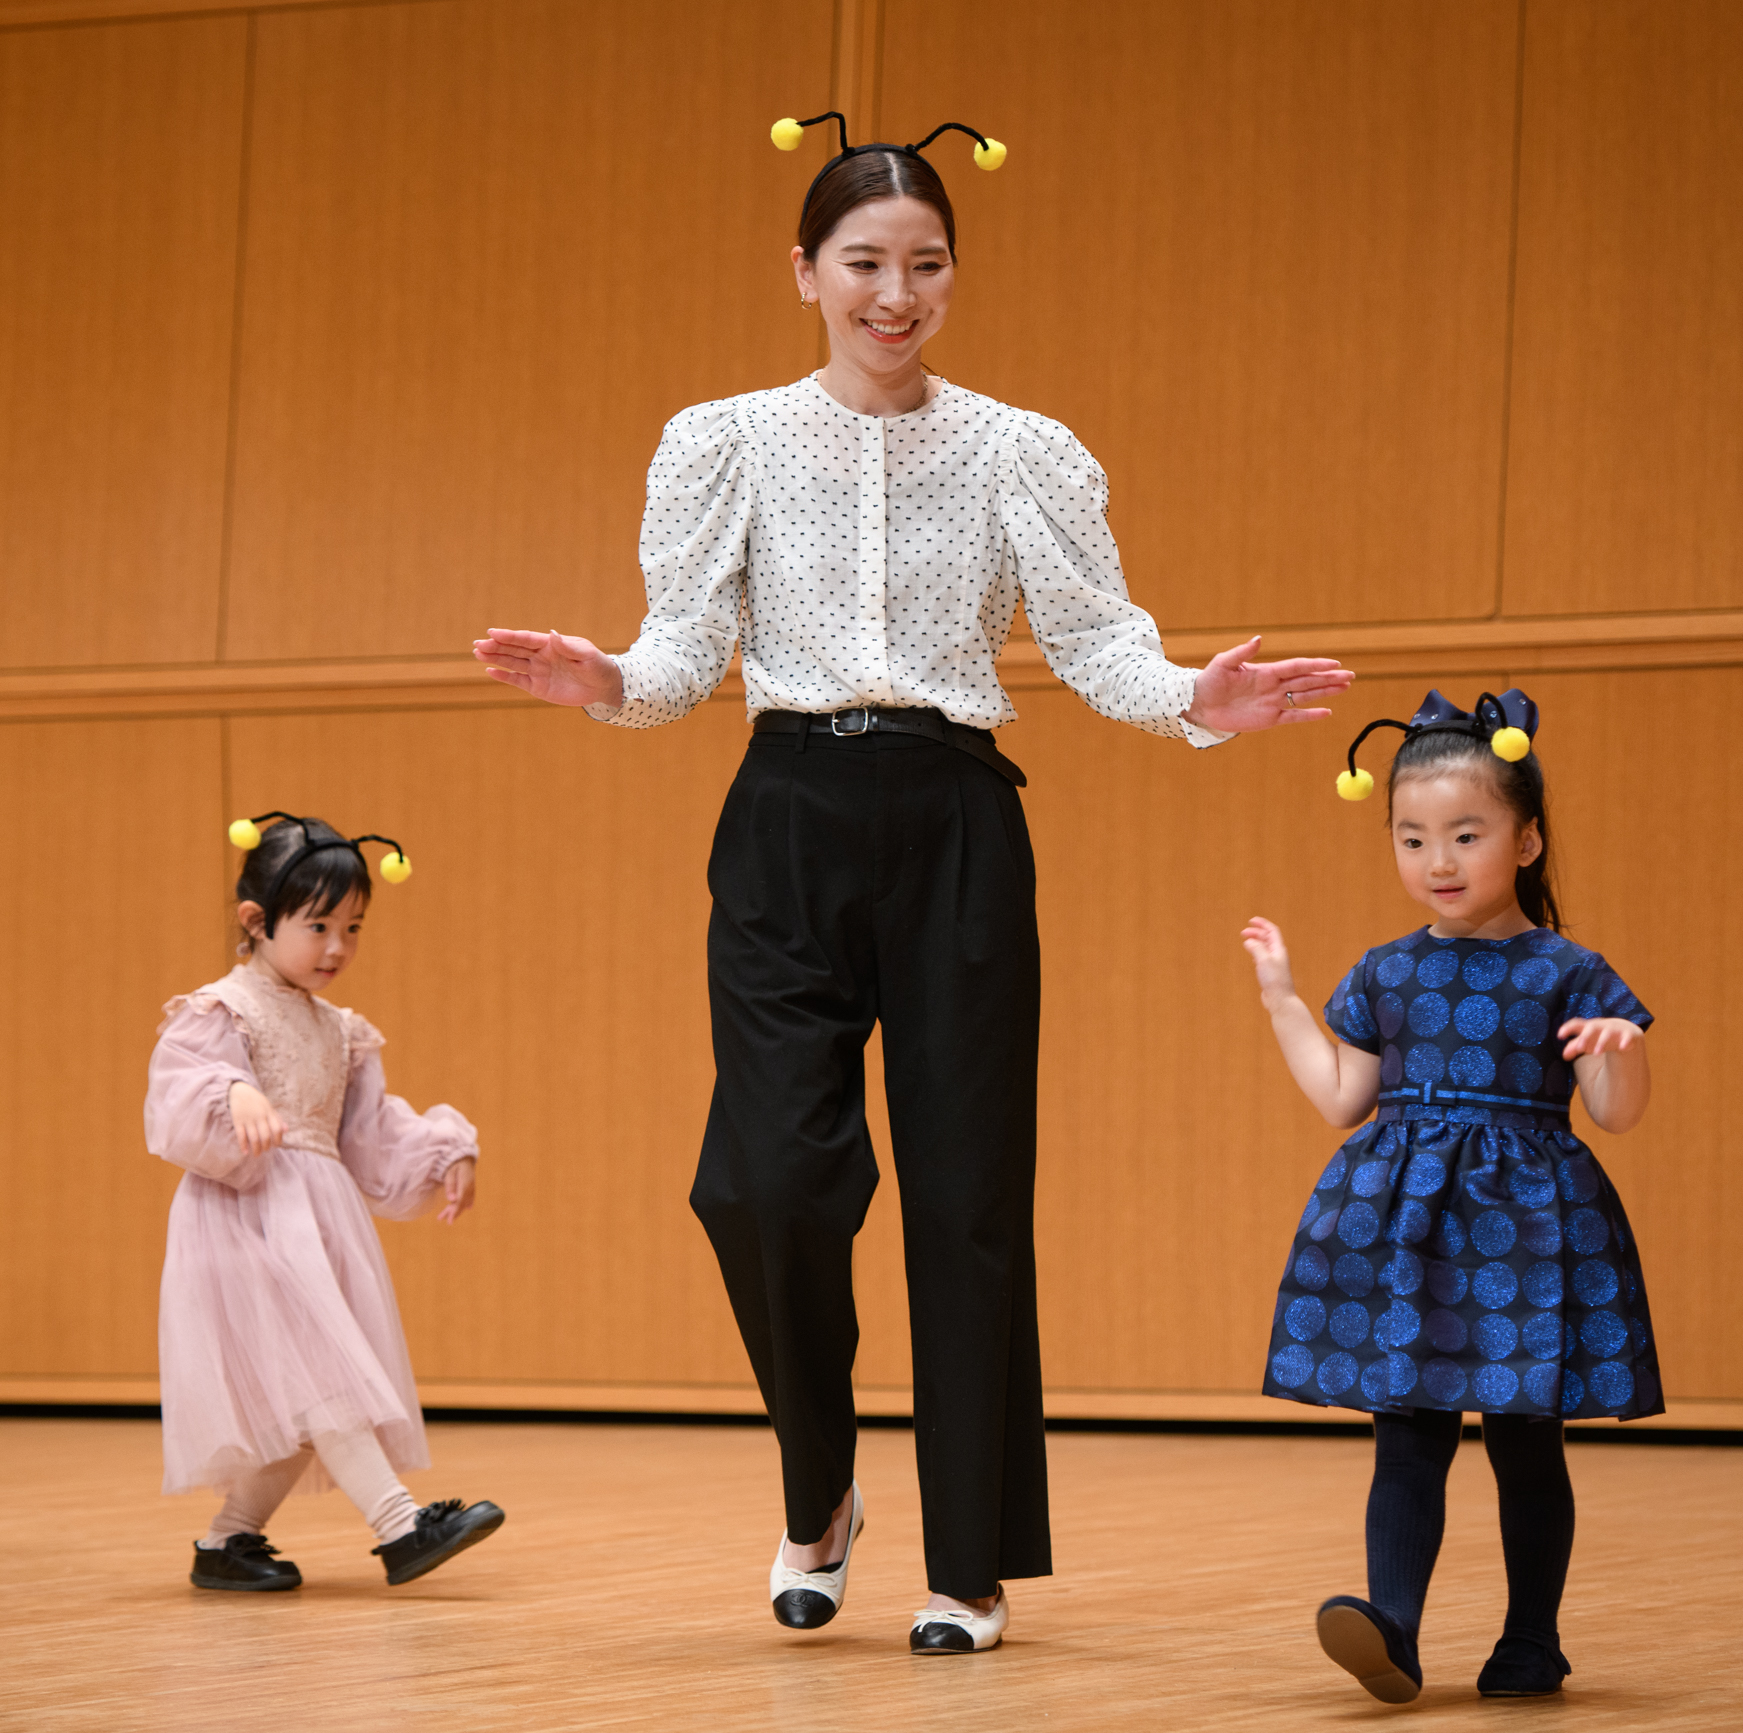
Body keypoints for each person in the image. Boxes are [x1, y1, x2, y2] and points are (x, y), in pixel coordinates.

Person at [472, 112, 1355, 1655]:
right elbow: (683, 655)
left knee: (965, 1201)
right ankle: (822, 1496)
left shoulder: (1024, 448)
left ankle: (970, 1563)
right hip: (788, 815)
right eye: (865, 263)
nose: (897, 293)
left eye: (927, 265)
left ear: (955, 273)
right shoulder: (722, 438)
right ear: (804, 272)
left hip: (955, 818)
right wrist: (604, 672)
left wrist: (1197, 702)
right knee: (760, 1181)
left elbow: (1095, 642)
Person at [1238, 689, 1660, 1704]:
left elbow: (1614, 1112)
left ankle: (1530, 1638)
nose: (1436, 859)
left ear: (1525, 840)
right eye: (1412, 836)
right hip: (1410, 1229)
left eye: (1464, 834)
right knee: (1408, 1428)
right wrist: (1285, 1005)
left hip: (1527, 1228)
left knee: (1524, 1438)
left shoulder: (1568, 970)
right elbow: (1345, 1096)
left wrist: (1621, 1051)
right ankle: (1393, 1626)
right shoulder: (1384, 969)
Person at [145, 814, 504, 1593]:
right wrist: (234, 1090)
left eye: (353, 927)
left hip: (316, 1221)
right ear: (256, 921)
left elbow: (371, 1135)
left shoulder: (341, 1031)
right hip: (245, 1219)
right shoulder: (222, 1008)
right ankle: (401, 1525)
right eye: (317, 926)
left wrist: (446, 1149)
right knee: (321, 1380)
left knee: (307, 1395)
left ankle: (226, 1542)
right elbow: (180, 1090)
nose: (337, 947)